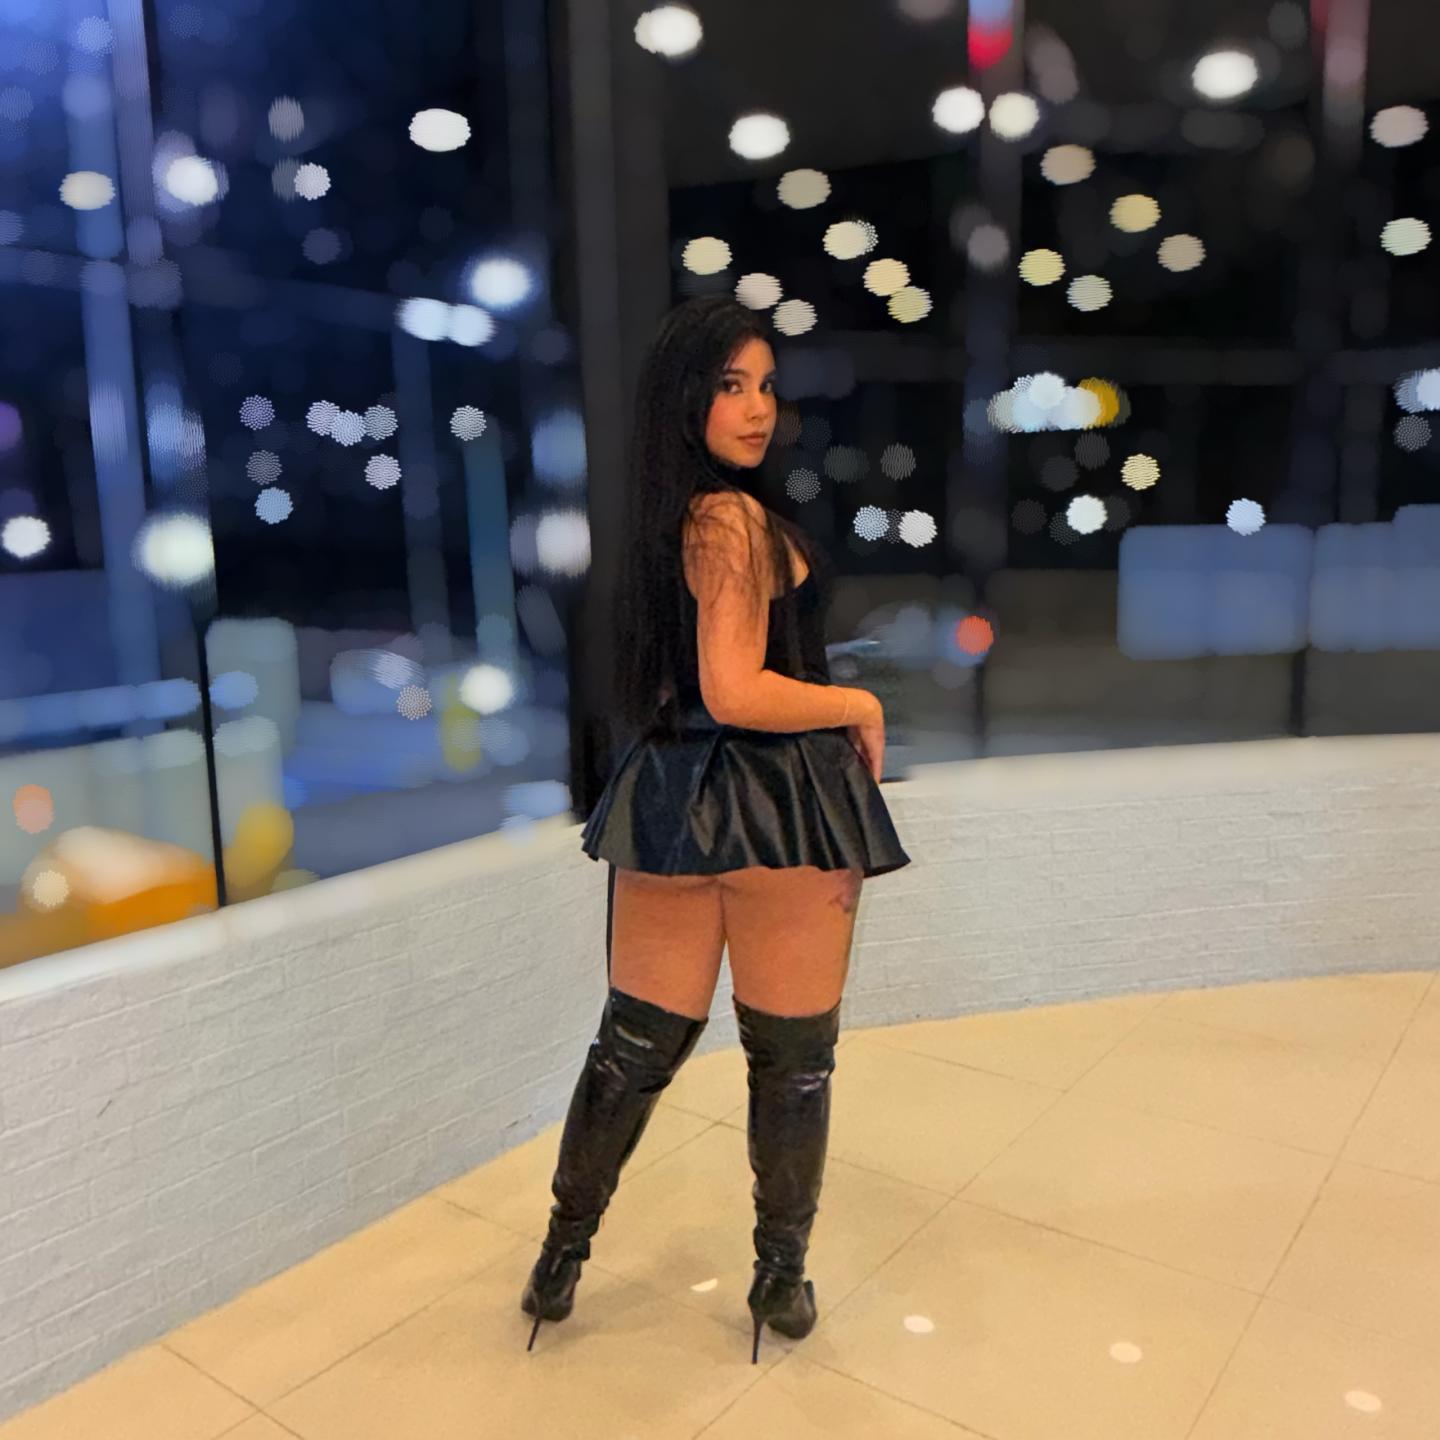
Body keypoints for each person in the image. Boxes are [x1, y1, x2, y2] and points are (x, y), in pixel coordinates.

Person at [521, 294, 911, 1363]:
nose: (757, 408)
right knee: (792, 1062)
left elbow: (696, 688)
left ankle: (561, 1255)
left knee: (632, 1048)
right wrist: (858, 703)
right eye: (731, 385)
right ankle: (779, 1278)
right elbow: (736, 687)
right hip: (782, 805)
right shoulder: (732, 520)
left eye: (766, 385)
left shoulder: (675, 518)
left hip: (673, 799)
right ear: (685, 397)